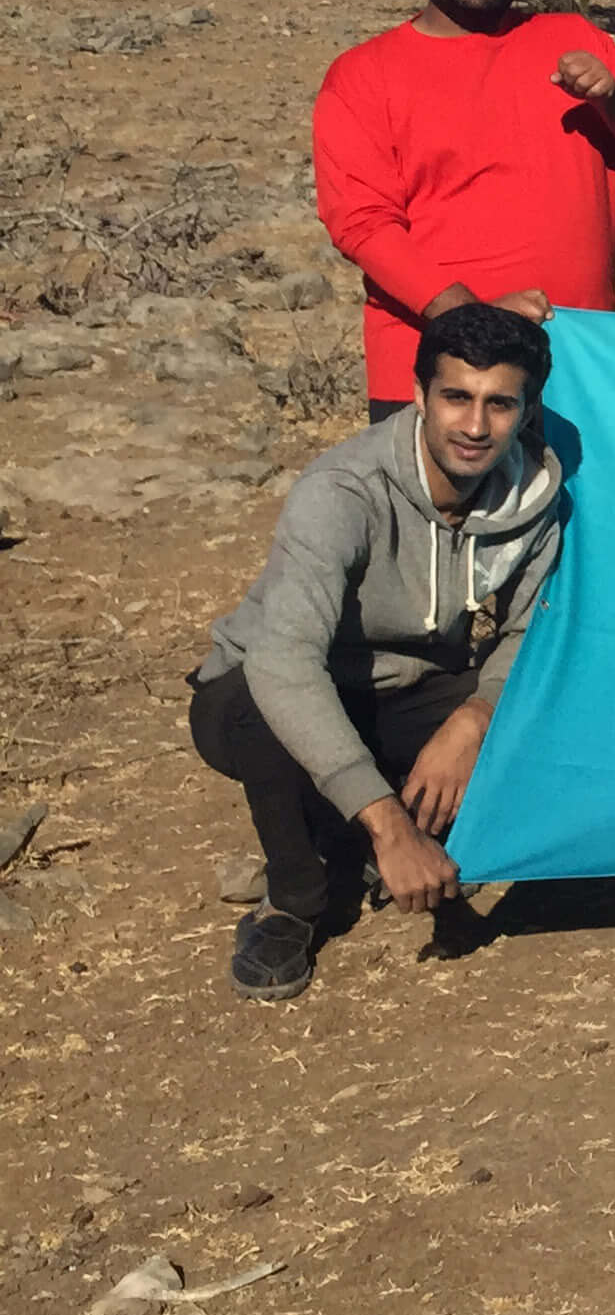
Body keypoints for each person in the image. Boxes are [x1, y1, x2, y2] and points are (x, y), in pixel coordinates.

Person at [187, 304, 565, 1000]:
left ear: (527, 409)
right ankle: (294, 899)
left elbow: (529, 632)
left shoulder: (535, 498)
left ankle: (372, 830)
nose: (475, 426)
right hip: (272, 690)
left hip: (413, 686)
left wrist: (476, 717)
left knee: (545, 704)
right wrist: (390, 827)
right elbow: (283, 661)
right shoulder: (342, 491)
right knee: (256, 706)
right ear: (419, 394)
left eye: (499, 404)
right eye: (455, 397)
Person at [314, 0, 615, 417]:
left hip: (578, 358)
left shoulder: (574, 38)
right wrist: (473, 321)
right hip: (438, 371)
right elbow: (363, 224)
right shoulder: (363, 74)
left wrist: (610, 98)